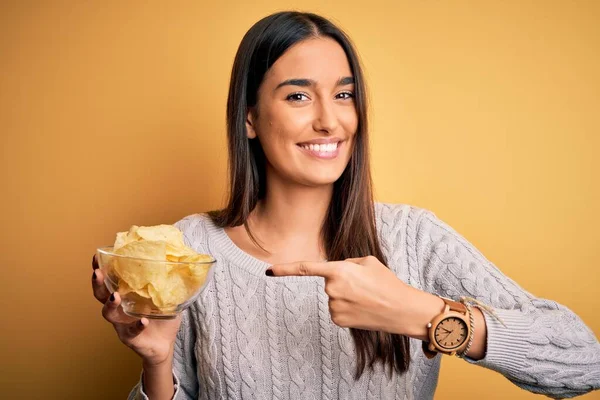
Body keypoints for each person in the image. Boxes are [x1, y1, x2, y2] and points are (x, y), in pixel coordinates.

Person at [91, 11, 600, 400]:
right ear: (249, 119)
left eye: (344, 94)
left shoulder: (414, 239)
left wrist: (423, 315)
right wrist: (157, 365)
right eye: (297, 97)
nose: (330, 122)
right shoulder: (191, 248)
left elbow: (583, 362)